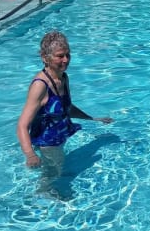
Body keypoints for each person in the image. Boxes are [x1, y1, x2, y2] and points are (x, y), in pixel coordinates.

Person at [17, 30, 113, 170]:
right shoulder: (40, 86)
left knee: (58, 175)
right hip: (47, 143)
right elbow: (22, 126)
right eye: (60, 56)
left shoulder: (63, 77)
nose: (66, 60)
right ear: (45, 57)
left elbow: (65, 107)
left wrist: (93, 118)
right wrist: (30, 155)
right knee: (52, 179)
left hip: (59, 136)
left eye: (68, 54)